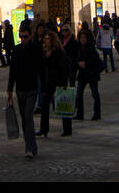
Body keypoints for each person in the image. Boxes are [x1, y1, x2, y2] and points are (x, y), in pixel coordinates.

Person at [6, 21, 44, 159]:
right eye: (21, 37)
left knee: (28, 116)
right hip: (20, 89)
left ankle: (30, 148)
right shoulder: (16, 50)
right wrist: (9, 89)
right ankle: (30, 144)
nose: (23, 40)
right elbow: (12, 71)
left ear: (30, 36)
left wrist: (43, 88)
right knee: (24, 119)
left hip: (32, 89)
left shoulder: (36, 49)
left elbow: (41, 70)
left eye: (25, 37)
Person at [39, 31, 73, 138]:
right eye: (45, 39)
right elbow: (44, 65)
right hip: (50, 81)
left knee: (63, 104)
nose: (46, 41)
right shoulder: (47, 52)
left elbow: (64, 67)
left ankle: (67, 129)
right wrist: (46, 57)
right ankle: (44, 129)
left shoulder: (59, 51)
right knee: (44, 104)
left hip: (59, 81)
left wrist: (64, 82)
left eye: (48, 39)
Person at [75, 26, 103, 120]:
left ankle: (97, 114)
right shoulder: (78, 48)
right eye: (81, 38)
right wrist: (78, 63)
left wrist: (86, 63)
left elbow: (98, 62)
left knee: (95, 94)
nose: (82, 39)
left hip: (91, 74)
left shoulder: (91, 48)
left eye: (84, 38)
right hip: (83, 75)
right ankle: (80, 114)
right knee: (79, 94)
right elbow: (76, 60)